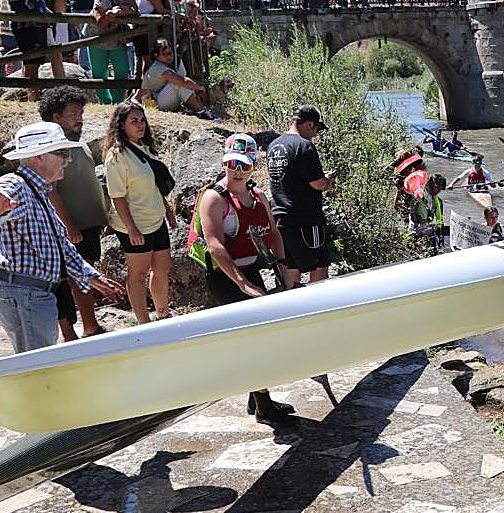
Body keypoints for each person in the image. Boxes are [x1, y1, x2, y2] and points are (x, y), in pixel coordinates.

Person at [0, 121, 123, 353]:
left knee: (37, 362)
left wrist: (91, 277)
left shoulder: (38, 190)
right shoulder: (15, 184)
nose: (68, 159)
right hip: (25, 293)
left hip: (31, 293)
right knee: (37, 366)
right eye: (62, 153)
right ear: (39, 156)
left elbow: (60, 246)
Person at [195, 137, 297, 425]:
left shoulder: (258, 195)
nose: (237, 171)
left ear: (253, 166)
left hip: (252, 270)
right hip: (224, 278)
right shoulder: (214, 199)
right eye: (232, 164)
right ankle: (264, 407)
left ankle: (257, 398)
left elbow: (273, 233)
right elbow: (215, 244)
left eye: (244, 165)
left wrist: (282, 266)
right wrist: (241, 283)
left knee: (260, 335)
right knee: (252, 340)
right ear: (224, 162)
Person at [38, 86, 110, 340]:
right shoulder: (51, 148)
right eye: (73, 114)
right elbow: (50, 190)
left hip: (88, 225)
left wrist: (103, 215)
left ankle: (90, 326)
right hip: (69, 229)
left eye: (80, 113)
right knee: (70, 280)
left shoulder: (77, 143)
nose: (79, 118)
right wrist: (68, 225)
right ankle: (73, 333)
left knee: (84, 275)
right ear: (56, 117)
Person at [104, 101, 176, 325]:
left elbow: (154, 184)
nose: (140, 125)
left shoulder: (144, 147)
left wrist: (167, 211)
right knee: (138, 273)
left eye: (142, 120)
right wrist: (131, 228)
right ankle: (144, 324)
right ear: (121, 125)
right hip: (134, 225)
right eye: (134, 121)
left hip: (155, 219)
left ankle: (162, 313)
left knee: (162, 267)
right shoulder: (117, 157)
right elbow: (117, 197)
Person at [268, 105, 336, 286]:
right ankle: (319, 301)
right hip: (306, 220)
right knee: (319, 265)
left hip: (280, 218)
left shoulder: (274, 146)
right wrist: (328, 181)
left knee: (290, 267)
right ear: (310, 124)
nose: (315, 134)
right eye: (317, 129)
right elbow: (317, 184)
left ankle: (291, 300)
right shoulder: (304, 146)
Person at [1, 0, 65, 104]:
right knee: (32, 63)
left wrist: (47, 10)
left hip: (42, 22)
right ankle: (33, 100)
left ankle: (61, 94)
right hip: (25, 25)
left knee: (55, 54)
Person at [89, 0, 138, 104]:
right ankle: (104, 101)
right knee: (99, 72)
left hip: (117, 37)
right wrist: (110, 16)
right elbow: (101, 22)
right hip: (98, 38)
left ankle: (118, 100)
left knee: (122, 70)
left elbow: (135, 9)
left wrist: (119, 11)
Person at [139, 37, 216, 119]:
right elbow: (184, 81)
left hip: (161, 99)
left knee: (187, 85)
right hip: (154, 104)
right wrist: (199, 88)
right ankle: (201, 113)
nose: (169, 56)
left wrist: (195, 88)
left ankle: (202, 110)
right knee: (179, 83)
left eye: (170, 53)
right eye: (165, 54)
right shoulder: (158, 67)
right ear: (156, 55)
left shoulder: (166, 64)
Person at [410, 173, 449, 252]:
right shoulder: (419, 197)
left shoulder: (438, 201)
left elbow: (440, 221)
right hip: (417, 231)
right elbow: (421, 219)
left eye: (440, 189)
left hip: (428, 231)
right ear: (431, 184)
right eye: (437, 187)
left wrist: (441, 238)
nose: (438, 191)